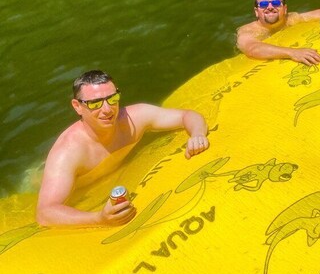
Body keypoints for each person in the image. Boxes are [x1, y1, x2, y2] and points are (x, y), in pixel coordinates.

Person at [36, 70, 210, 228]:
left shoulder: (135, 118)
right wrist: (98, 219)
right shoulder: (67, 153)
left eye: (112, 99)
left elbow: (187, 115)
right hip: (46, 177)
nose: (107, 110)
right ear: (77, 106)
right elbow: (45, 213)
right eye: (95, 103)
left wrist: (197, 134)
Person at [236, 0, 320, 66]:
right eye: (263, 4)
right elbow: (252, 49)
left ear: (285, 9)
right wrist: (292, 53)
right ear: (256, 11)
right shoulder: (248, 31)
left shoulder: (292, 19)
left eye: (276, 3)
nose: (269, 7)